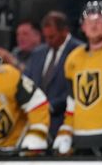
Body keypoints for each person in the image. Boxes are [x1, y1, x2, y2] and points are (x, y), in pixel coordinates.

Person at [54, 1, 102, 155]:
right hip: (81, 136)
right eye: (89, 22)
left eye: (98, 21)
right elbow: (72, 101)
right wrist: (67, 130)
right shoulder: (73, 58)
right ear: (82, 27)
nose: (93, 26)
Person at [24, 12, 83, 141]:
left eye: (52, 37)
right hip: (37, 124)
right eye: (45, 37)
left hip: (65, 122)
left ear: (65, 31)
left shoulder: (79, 51)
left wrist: (51, 106)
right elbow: (26, 81)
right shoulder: (38, 53)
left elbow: (77, 89)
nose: (48, 41)